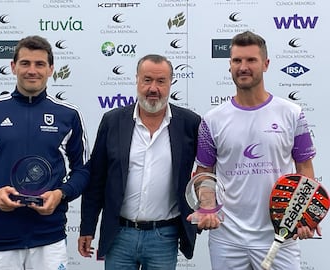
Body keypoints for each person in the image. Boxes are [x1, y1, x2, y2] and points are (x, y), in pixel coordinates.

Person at [188, 31, 318, 270]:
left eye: (251, 60)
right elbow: (204, 173)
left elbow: (304, 169)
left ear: (266, 64)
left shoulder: (292, 113)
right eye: (237, 60)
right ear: (230, 66)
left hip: (279, 237)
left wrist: (304, 214)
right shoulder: (212, 120)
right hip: (228, 240)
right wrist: (207, 206)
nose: (243, 67)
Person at [0, 35, 90, 270]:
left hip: (49, 239)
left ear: (51, 69)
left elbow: (83, 170)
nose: (32, 70)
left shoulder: (68, 115)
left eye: (39, 64)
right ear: (13, 67)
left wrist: (61, 194)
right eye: (25, 63)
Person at [78, 54, 201, 270]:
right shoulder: (113, 121)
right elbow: (97, 179)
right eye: (147, 80)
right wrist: (87, 228)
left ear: (171, 83)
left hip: (164, 237)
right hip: (119, 235)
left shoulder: (189, 123)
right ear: (137, 80)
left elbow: (205, 171)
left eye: (161, 81)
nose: (153, 88)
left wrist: (205, 210)